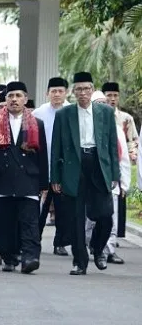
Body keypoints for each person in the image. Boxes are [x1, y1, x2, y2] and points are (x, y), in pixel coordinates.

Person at [51, 72, 119, 276]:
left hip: (98, 165)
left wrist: (115, 173)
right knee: (76, 217)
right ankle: (79, 262)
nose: (82, 93)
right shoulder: (64, 114)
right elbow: (56, 148)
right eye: (78, 89)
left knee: (105, 215)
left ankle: (98, 249)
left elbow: (111, 145)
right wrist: (55, 177)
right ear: (73, 92)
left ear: (92, 89)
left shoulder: (105, 112)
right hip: (74, 166)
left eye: (86, 88)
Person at [0, 82, 48, 274]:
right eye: (10, 96)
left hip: (28, 181)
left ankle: (30, 258)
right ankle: (9, 257)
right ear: (5, 99)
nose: (14, 99)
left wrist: (44, 183)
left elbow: (42, 156)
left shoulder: (37, 124)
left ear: (25, 99)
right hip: (2, 181)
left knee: (30, 224)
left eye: (18, 96)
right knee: (4, 223)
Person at [86, 91, 130, 265]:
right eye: (99, 103)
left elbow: (123, 158)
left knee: (110, 218)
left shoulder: (117, 129)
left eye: (105, 103)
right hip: (90, 181)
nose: (104, 106)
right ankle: (90, 247)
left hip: (110, 181)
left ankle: (109, 250)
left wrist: (123, 183)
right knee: (90, 220)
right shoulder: (87, 125)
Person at [33, 77, 71, 256]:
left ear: (66, 92)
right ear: (47, 93)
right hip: (43, 167)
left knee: (63, 208)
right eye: (53, 91)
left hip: (64, 169)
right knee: (38, 208)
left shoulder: (73, 111)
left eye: (60, 91)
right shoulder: (38, 113)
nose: (57, 94)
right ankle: (34, 241)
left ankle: (60, 243)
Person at [102, 81, 138, 239]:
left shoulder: (126, 118)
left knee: (120, 198)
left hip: (120, 161)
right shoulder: (99, 115)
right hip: (104, 163)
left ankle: (116, 235)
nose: (112, 98)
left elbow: (132, 140)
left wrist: (133, 154)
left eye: (115, 95)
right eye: (109, 95)